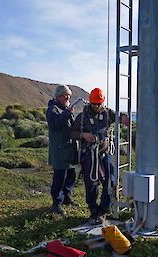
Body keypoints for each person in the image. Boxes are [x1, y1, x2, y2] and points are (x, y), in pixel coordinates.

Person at [71, 88, 128, 224]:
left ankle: (103, 210)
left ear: (102, 102)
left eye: (98, 104)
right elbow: (71, 132)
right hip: (89, 153)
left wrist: (124, 117)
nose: (96, 107)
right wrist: (83, 135)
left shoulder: (108, 113)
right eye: (93, 104)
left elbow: (119, 117)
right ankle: (93, 210)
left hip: (104, 153)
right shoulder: (83, 116)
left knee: (111, 180)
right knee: (91, 182)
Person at [46, 85, 79, 215]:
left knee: (71, 175)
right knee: (59, 178)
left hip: (69, 150)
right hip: (60, 151)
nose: (68, 97)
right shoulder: (52, 109)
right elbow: (55, 125)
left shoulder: (64, 109)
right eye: (66, 95)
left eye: (69, 95)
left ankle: (66, 197)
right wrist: (67, 113)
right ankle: (56, 204)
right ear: (59, 96)